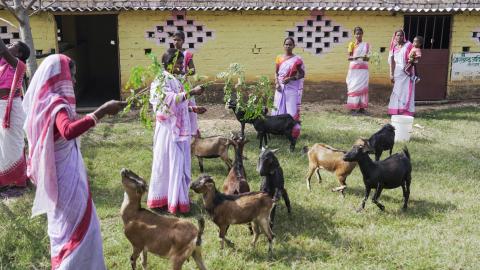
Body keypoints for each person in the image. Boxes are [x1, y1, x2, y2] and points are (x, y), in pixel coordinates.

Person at [22, 54, 126, 269]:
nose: (75, 81)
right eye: (72, 76)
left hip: (62, 169)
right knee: (78, 226)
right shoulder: (55, 103)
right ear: (60, 76)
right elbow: (68, 131)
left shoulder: (46, 101)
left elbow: (66, 128)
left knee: (70, 223)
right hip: (64, 173)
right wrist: (103, 111)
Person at [147, 48, 206, 214]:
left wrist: (193, 109)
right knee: (168, 163)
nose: (182, 66)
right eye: (179, 63)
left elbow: (180, 104)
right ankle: (166, 200)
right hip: (168, 130)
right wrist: (192, 92)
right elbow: (169, 101)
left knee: (179, 163)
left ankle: (178, 199)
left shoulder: (177, 79)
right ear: (169, 63)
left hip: (178, 129)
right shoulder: (161, 79)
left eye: (182, 63)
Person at [0, 39, 29, 188]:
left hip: (12, 109)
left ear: (19, 54)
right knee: (3, 145)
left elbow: (3, 50)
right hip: (1, 107)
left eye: (13, 45)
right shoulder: (2, 63)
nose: (8, 46)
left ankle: (19, 182)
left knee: (13, 145)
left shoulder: (18, 65)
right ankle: (6, 180)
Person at [272, 37, 305, 140]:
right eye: (286, 44)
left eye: (290, 44)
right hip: (280, 88)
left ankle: (293, 132)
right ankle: (279, 130)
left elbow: (302, 74)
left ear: (294, 46)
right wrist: (277, 83)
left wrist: (291, 78)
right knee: (278, 107)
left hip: (291, 88)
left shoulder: (297, 60)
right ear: (283, 46)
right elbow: (276, 73)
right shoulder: (279, 58)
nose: (288, 46)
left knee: (291, 110)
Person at [173, 30, 201, 138]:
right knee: (176, 106)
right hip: (172, 82)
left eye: (178, 40)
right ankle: (178, 130)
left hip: (184, 83)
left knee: (190, 106)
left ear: (183, 41)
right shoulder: (170, 53)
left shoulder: (187, 54)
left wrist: (184, 73)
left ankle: (193, 132)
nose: (176, 42)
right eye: (174, 40)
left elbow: (193, 70)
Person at [388, 29, 416, 116]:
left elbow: (414, 57)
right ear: (395, 37)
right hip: (397, 73)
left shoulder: (409, 45)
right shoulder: (394, 47)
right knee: (397, 91)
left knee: (406, 92)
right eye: (398, 35)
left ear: (404, 36)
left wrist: (411, 62)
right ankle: (395, 110)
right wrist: (391, 74)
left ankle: (406, 111)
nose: (399, 37)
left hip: (407, 72)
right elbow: (392, 62)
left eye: (401, 35)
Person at [345, 26, 370, 115]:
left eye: (360, 33)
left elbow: (368, 58)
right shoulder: (351, 44)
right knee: (353, 87)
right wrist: (357, 57)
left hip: (363, 70)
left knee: (363, 88)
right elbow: (349, 58)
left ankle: (362, 108)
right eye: (357, 34)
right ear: (354, 35)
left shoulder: (366, 45)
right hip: (354, 70)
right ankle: (353, 108)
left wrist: (365, 58)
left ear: (362, 34)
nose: (358, 35)